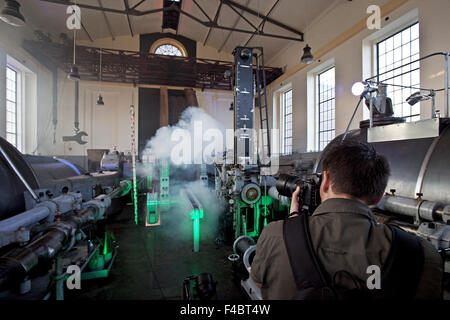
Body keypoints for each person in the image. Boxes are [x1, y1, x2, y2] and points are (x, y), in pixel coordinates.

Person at [250, 140, 443, 300]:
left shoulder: (275, 235)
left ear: (325, 181)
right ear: (379, 196)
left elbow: (258, 281)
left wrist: (293, 224)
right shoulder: (419, 253)